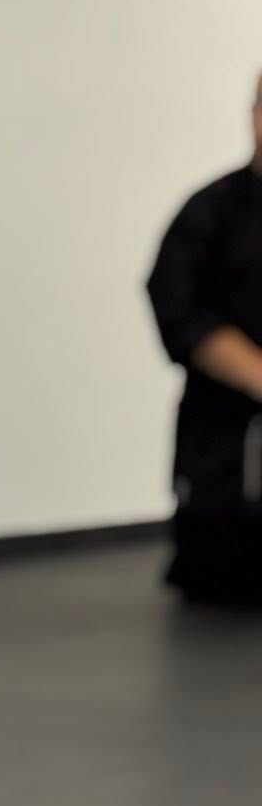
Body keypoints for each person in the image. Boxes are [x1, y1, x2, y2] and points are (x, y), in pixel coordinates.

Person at [146, 74, 262, 604]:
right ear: (254, 116)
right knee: (223, 574)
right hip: (226, 453)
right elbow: (180, 308)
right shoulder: (210, 212)